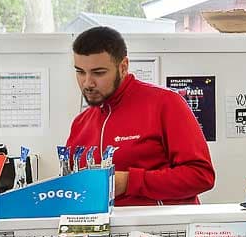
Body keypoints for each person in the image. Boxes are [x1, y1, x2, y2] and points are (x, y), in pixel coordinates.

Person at [67, 26, 215, 206]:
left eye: (99, 73)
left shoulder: (165, 104)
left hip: (162, 231)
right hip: (101, 232)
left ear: (123, 67)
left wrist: (129, 182)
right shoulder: (80, 123)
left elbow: (201, 175)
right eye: (80, 72)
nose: (87, 83)